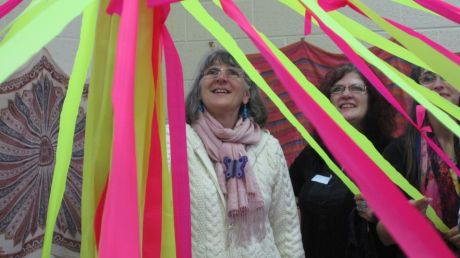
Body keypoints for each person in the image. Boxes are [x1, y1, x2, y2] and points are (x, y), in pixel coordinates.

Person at [185, 49, 304, 258]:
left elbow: (287, 232)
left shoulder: (269, 147)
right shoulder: (174, 142)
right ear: (199, 92)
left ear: (247, 95)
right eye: (212, 72)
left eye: (232, 73)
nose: (221, 78)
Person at [289, 64, 397, 258]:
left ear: (372, 98)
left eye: (356, 88)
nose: (346, 94)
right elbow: (287, 193)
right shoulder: (314, 153)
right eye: (338, 89)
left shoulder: (392, 151)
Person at [379, 66, 460, 254]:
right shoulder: (399, 151)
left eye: (447, 77)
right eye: (429, 78)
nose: (439, 85)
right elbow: (383, 235)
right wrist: (405, 219)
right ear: (416, 90)